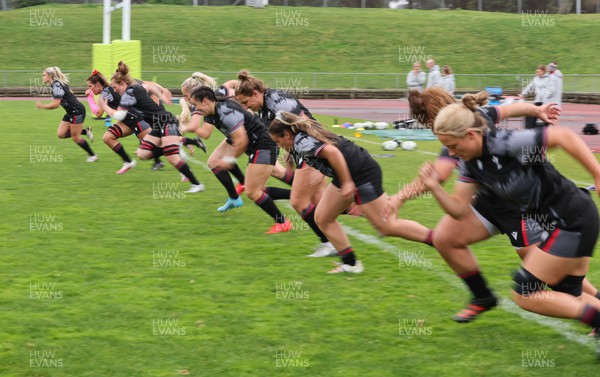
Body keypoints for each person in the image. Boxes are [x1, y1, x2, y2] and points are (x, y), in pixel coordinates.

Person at [388, 88, 600, 322]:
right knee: (445, 238)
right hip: (501, 206)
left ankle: (595, 311)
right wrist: (537, 110)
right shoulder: (467, 152)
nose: (450, 152)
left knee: (543, 286)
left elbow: (561, 136)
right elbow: (458, 207)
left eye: (451, 145)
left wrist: (400, 196)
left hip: (538, 214)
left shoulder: (496, 140)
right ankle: (483, 296)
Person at [269, 112, 434, 273]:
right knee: (322, 217)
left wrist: (347, 182)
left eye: (278, 141)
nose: (278, 145)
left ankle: (437, 239)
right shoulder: (299, 139)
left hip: (361, 173)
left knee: (386, 226)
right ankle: (351, 264)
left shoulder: (301, 142)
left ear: (286, 134)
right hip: (351, 171)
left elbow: (333, 152)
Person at [235, 70, 337, 257]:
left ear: (255, 94)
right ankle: (345, 236)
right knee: (321, 203)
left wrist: (309, 152)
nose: (246, 106)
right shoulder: (265, 108)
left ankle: (334, 244)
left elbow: (304, 123)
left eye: (246, 102)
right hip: (305, 152)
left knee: (299, 201)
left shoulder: (277, 101)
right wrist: (290, 153)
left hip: (312, 151)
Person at [188, 86, 292, 234]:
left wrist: (229, 160)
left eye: (196, 104)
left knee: (253, 191)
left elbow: (241, 141)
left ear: (205, 101)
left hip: (262, 145)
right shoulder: (212, 112)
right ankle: (297, 199)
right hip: (256, 145)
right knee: (257, 190)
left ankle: (283, 221)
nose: (195, 108)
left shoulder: (225, 110)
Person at [99, 61, 204, 193]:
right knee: (143, 154)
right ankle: (179, 144)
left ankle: (197, 184)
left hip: (166, 121)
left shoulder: (130, 93)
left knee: (172, 157)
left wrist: (104, 106)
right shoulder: (136, 87)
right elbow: (150, 87)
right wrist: (161, 96)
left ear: (123, 84)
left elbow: (119, 115)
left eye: (115, 87)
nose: (114, 90)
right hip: (157, 124)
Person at [180, 72, 247, 211]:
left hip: (249, 135)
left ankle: (288, 213)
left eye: (185, 95)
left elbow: (205, 134)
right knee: (214, 162)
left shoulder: (203, 107)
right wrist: (241, 97)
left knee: (273, 175)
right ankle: (236, 195)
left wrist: (184, 126)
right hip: (237, 134)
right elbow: (232, 83)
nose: (184, 98)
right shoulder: (218, 92)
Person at [86, 69, 145, 174]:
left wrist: (90, 98)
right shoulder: (110, 89)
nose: (90, 89)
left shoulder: (103, 95)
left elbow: (98, 114)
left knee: (156, 146)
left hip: (136, 119)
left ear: (98, 84)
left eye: (90, 87)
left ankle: (180, 146)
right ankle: (128, 161)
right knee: (107, 137)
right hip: (128, 120)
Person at [36, 67, 97, 162]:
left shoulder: (57, 86)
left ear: (49, 76)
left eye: (44, 75)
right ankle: (86, 131)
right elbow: (70, 92)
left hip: (77, 112)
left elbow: (56, 104)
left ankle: (93, 155)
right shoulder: (57, 84)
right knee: (61, 134)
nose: (42, 77)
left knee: (75, 137)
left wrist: (42, 106)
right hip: (70, 112)